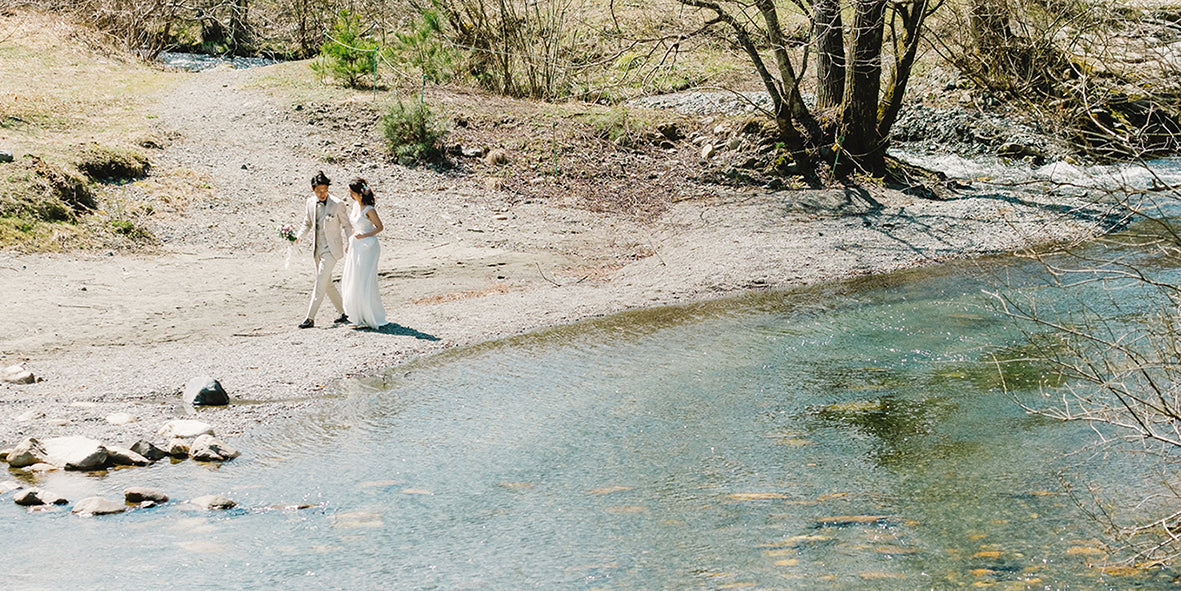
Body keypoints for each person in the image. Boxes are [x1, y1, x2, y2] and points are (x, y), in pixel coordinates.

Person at [296, 171, 353, 329]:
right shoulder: (309, 202)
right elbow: (307, 223)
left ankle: (310, 318)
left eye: (325, 190)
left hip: (332, 250)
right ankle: (344, 312)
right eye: (319, 190)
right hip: (317, 249)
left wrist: (350, 241)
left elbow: (347, 225)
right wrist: (298, 237)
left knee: (320, 282)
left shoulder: (338, 203)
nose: (322, 194)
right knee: (327, 284)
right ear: (313, 189)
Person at [340, 177, 388, 329]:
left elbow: (380, 227)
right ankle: (357, 315)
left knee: (364, 279)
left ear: (359, 194)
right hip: (356, 245)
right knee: (353, 278)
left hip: (368, 246)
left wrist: (365, 235)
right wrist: (350, 242)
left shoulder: (369, 209)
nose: (350, 195)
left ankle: (369, 315)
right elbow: (355, 225)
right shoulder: (355, 206)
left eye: (351, 192)